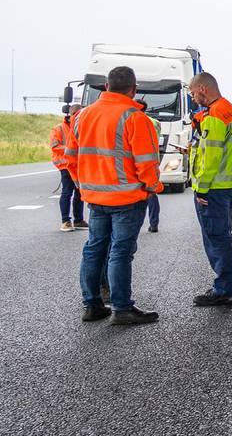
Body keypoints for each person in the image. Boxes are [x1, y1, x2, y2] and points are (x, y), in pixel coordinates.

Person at [65, 66, 162, 326]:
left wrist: (83, 185)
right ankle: (121, 308)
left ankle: (92, 305)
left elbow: (70, 158)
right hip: (128, 198)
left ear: (106, 87)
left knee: (94, 248)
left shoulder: (82, 116)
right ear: (134, 90)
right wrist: (152, 187)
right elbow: (147, 162)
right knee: (120, 252)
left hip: (95, 197)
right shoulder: (135, 118)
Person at [188, 72, 232, 307]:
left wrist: (201, 189)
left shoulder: (214, 115)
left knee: (216, 237)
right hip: (229, 184)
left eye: (193, 93)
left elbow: (211, 156)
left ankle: (224, 289)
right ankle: (226, 285)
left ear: (203, 89)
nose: (193, 98)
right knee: (223, 235)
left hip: (212, 187)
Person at [50, 103, 88, 232]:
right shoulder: (59, 128)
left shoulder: (83, 126)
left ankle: (78, 220)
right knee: (67, 191)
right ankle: (65, 221)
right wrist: (72, 149)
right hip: (66, 165)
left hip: (79, 165)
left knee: (79, 192)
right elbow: (55, 146)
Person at [145, 116, 161, 233]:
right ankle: (154, 223)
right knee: (152, 193)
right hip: (153, 161)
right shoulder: (155, 122)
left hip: (136, 161)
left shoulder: (130, 119)